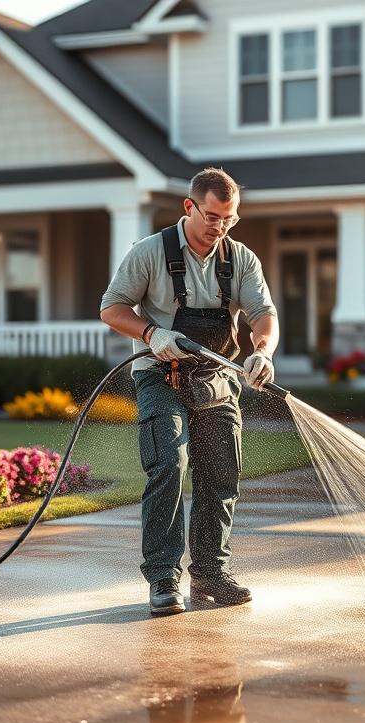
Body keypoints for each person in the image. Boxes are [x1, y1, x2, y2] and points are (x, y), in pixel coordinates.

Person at [100, 167, 279, 615]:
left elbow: (263, 314)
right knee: (168, 466)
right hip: (161, 377)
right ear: (189, 207)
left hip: (217, 380)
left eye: (229, 219)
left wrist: (262, 352)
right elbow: (112, 308)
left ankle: (211, 573)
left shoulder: (241, 259)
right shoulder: (149, 252)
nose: (220, 227)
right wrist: (151, 334)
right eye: (213, 217)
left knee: (220, 474)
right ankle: (164, 578)